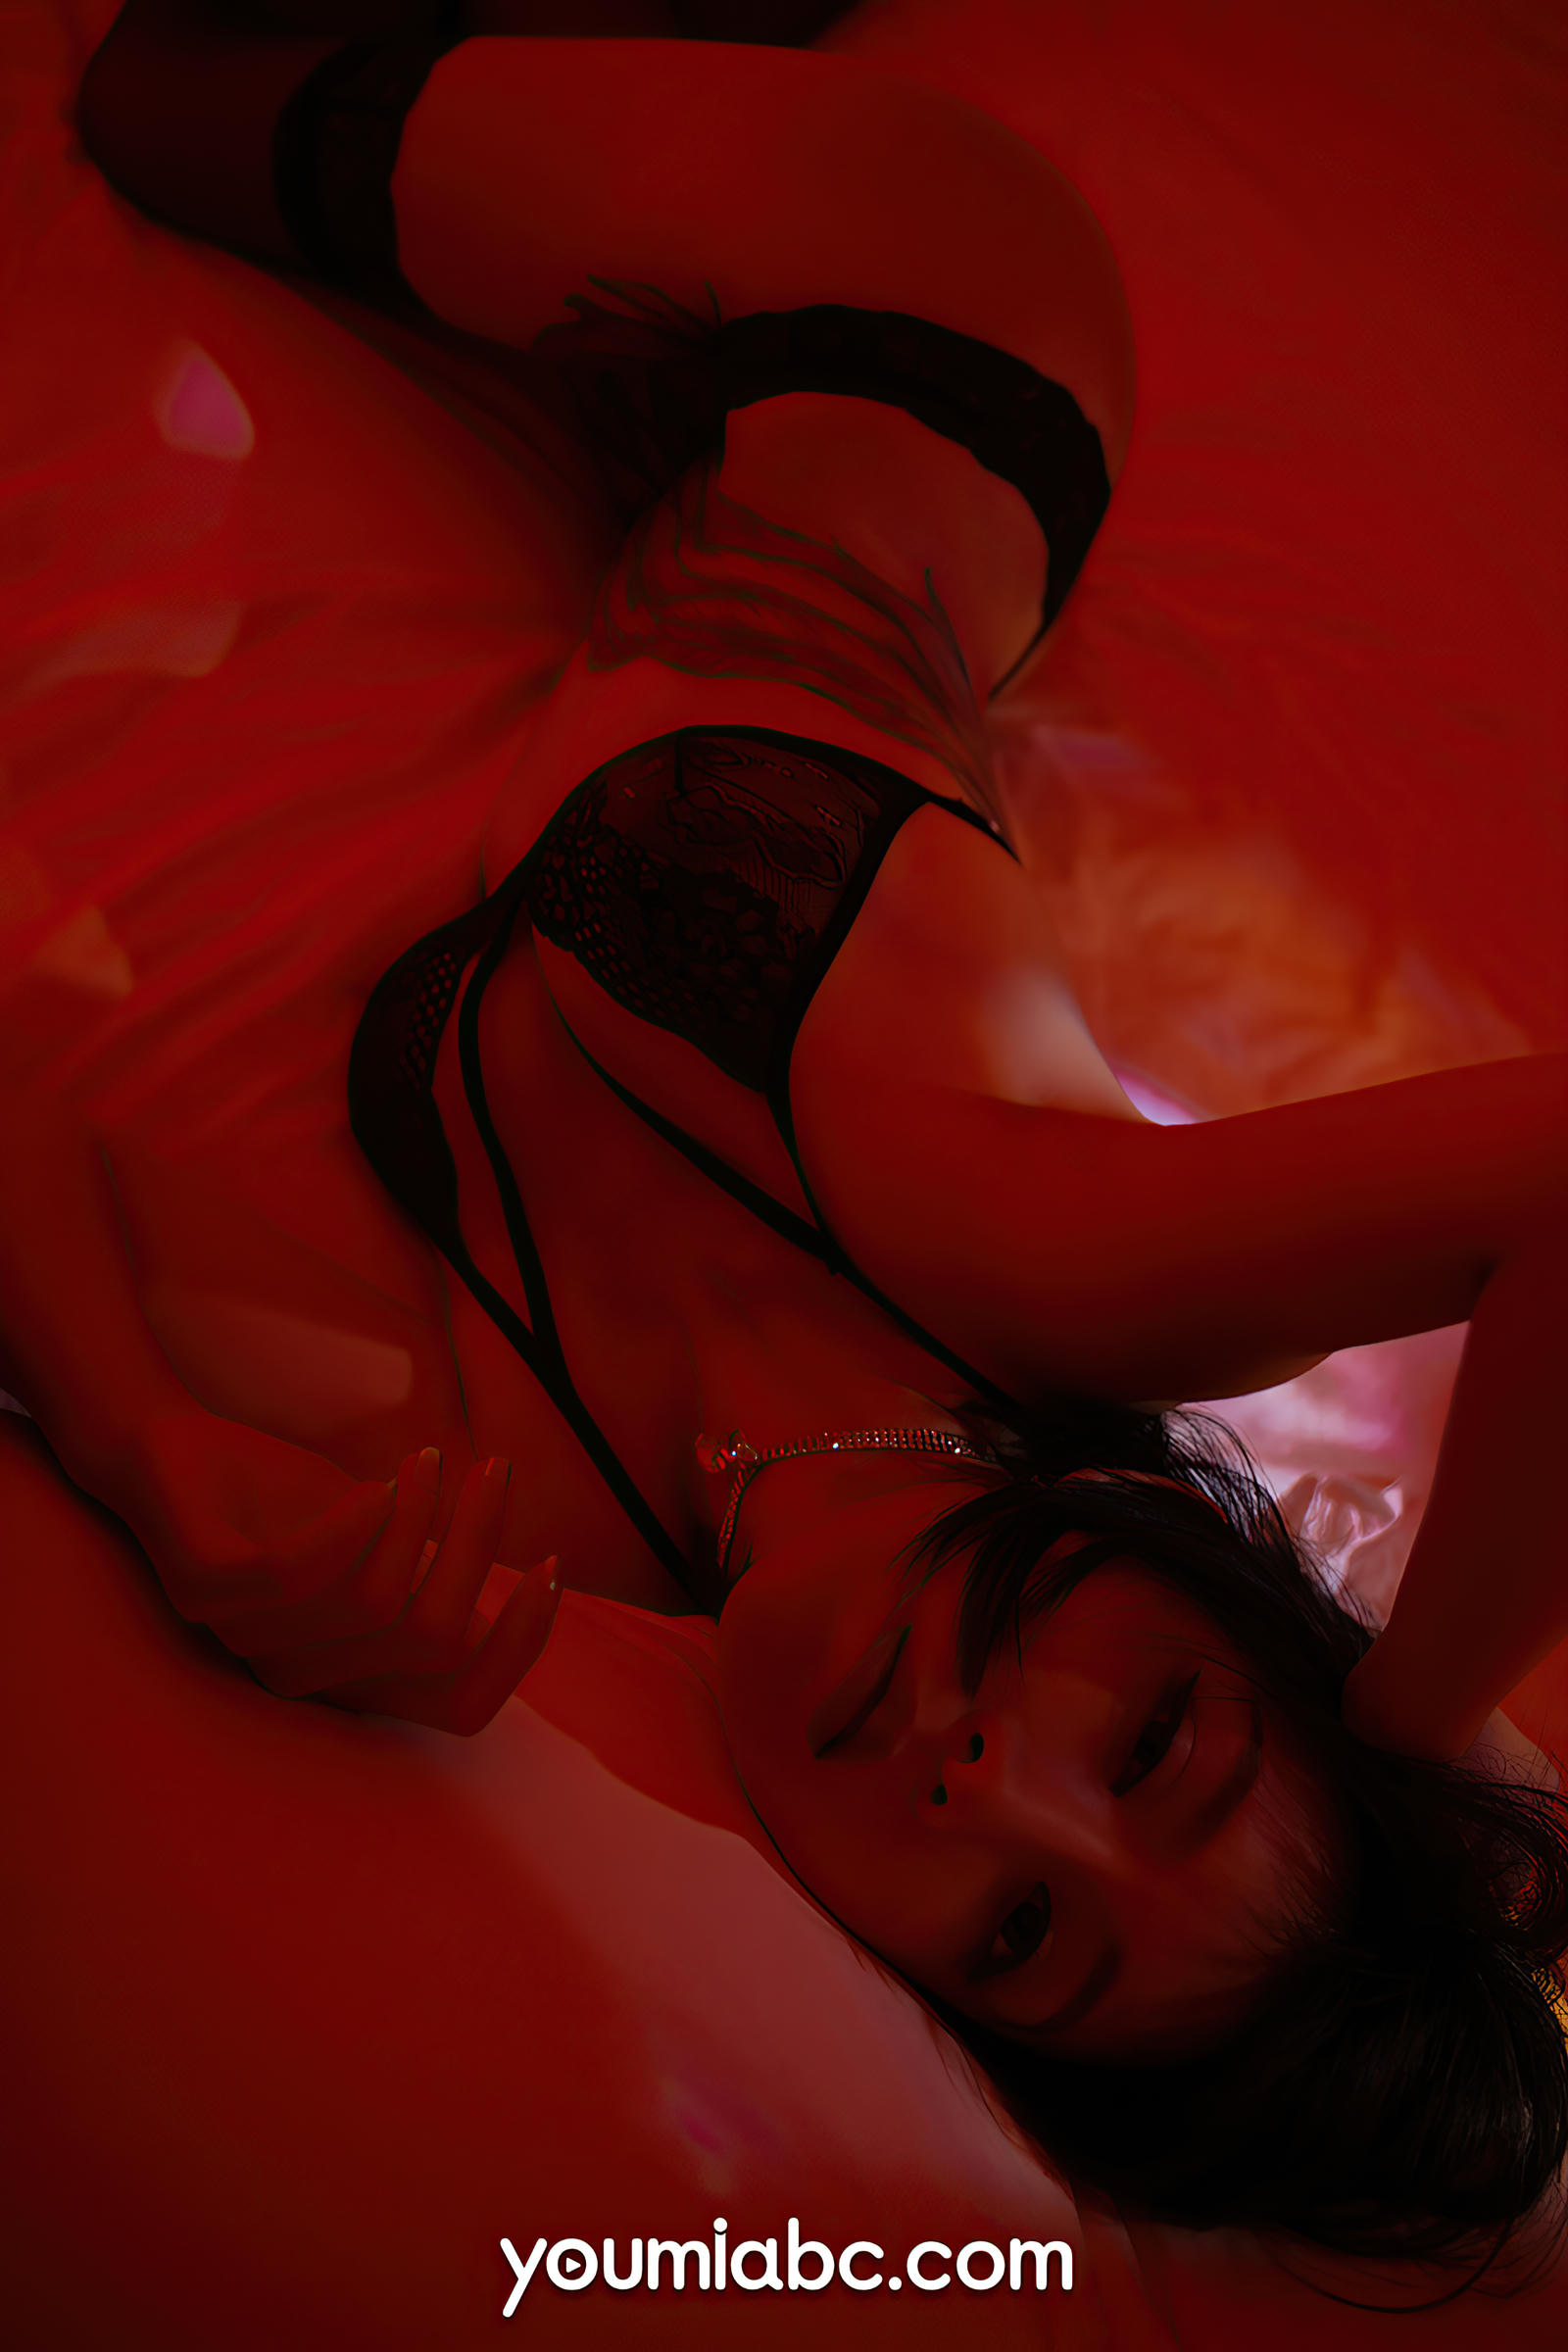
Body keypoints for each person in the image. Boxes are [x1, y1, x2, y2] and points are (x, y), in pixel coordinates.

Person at [5, 0, 1565, 2272]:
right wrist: (1414, 1716)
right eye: (1152, 1745)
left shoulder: (537, 1517)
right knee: (148, 87)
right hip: (912, 334)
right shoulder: (1047, 1267)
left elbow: (32, 1119)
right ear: (1209, 1593)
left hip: (631, 489)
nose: (981, 1788)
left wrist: (148, 1448)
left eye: (1019, 1933)